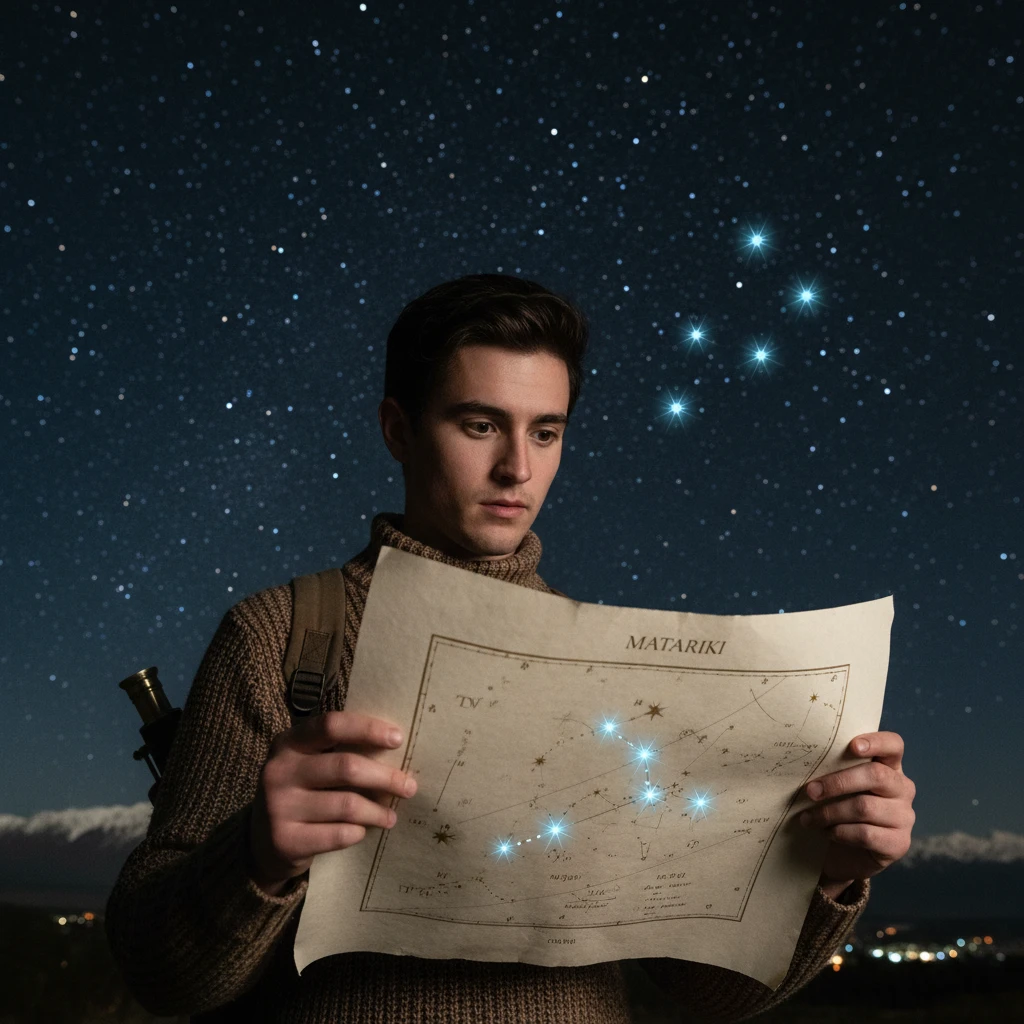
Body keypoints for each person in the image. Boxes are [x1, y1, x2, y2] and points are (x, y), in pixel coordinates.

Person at [105, 274, 916, 1023]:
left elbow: (708, 992)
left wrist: (831, 874)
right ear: (398, 428)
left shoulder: (618, 664)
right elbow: (161, 975)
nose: (516, 468)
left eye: (547, 431)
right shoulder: (279, 635)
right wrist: (256, 857)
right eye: (479, 423)